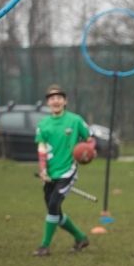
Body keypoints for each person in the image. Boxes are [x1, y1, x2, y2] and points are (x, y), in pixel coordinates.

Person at [33, 84, 93, 256]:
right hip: (50, 173)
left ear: (65, 101)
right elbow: (42, 149)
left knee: (53, 206)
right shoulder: (43, 125)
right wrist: (43, 170)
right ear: (48, 103)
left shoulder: (75, 120)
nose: (56, 101)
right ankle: (81, 238)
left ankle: (44, 246)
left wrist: (87, 153)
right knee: (55, 213)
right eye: (52, 98)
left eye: (59, 98)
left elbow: (90, 141)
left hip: (68, 171)